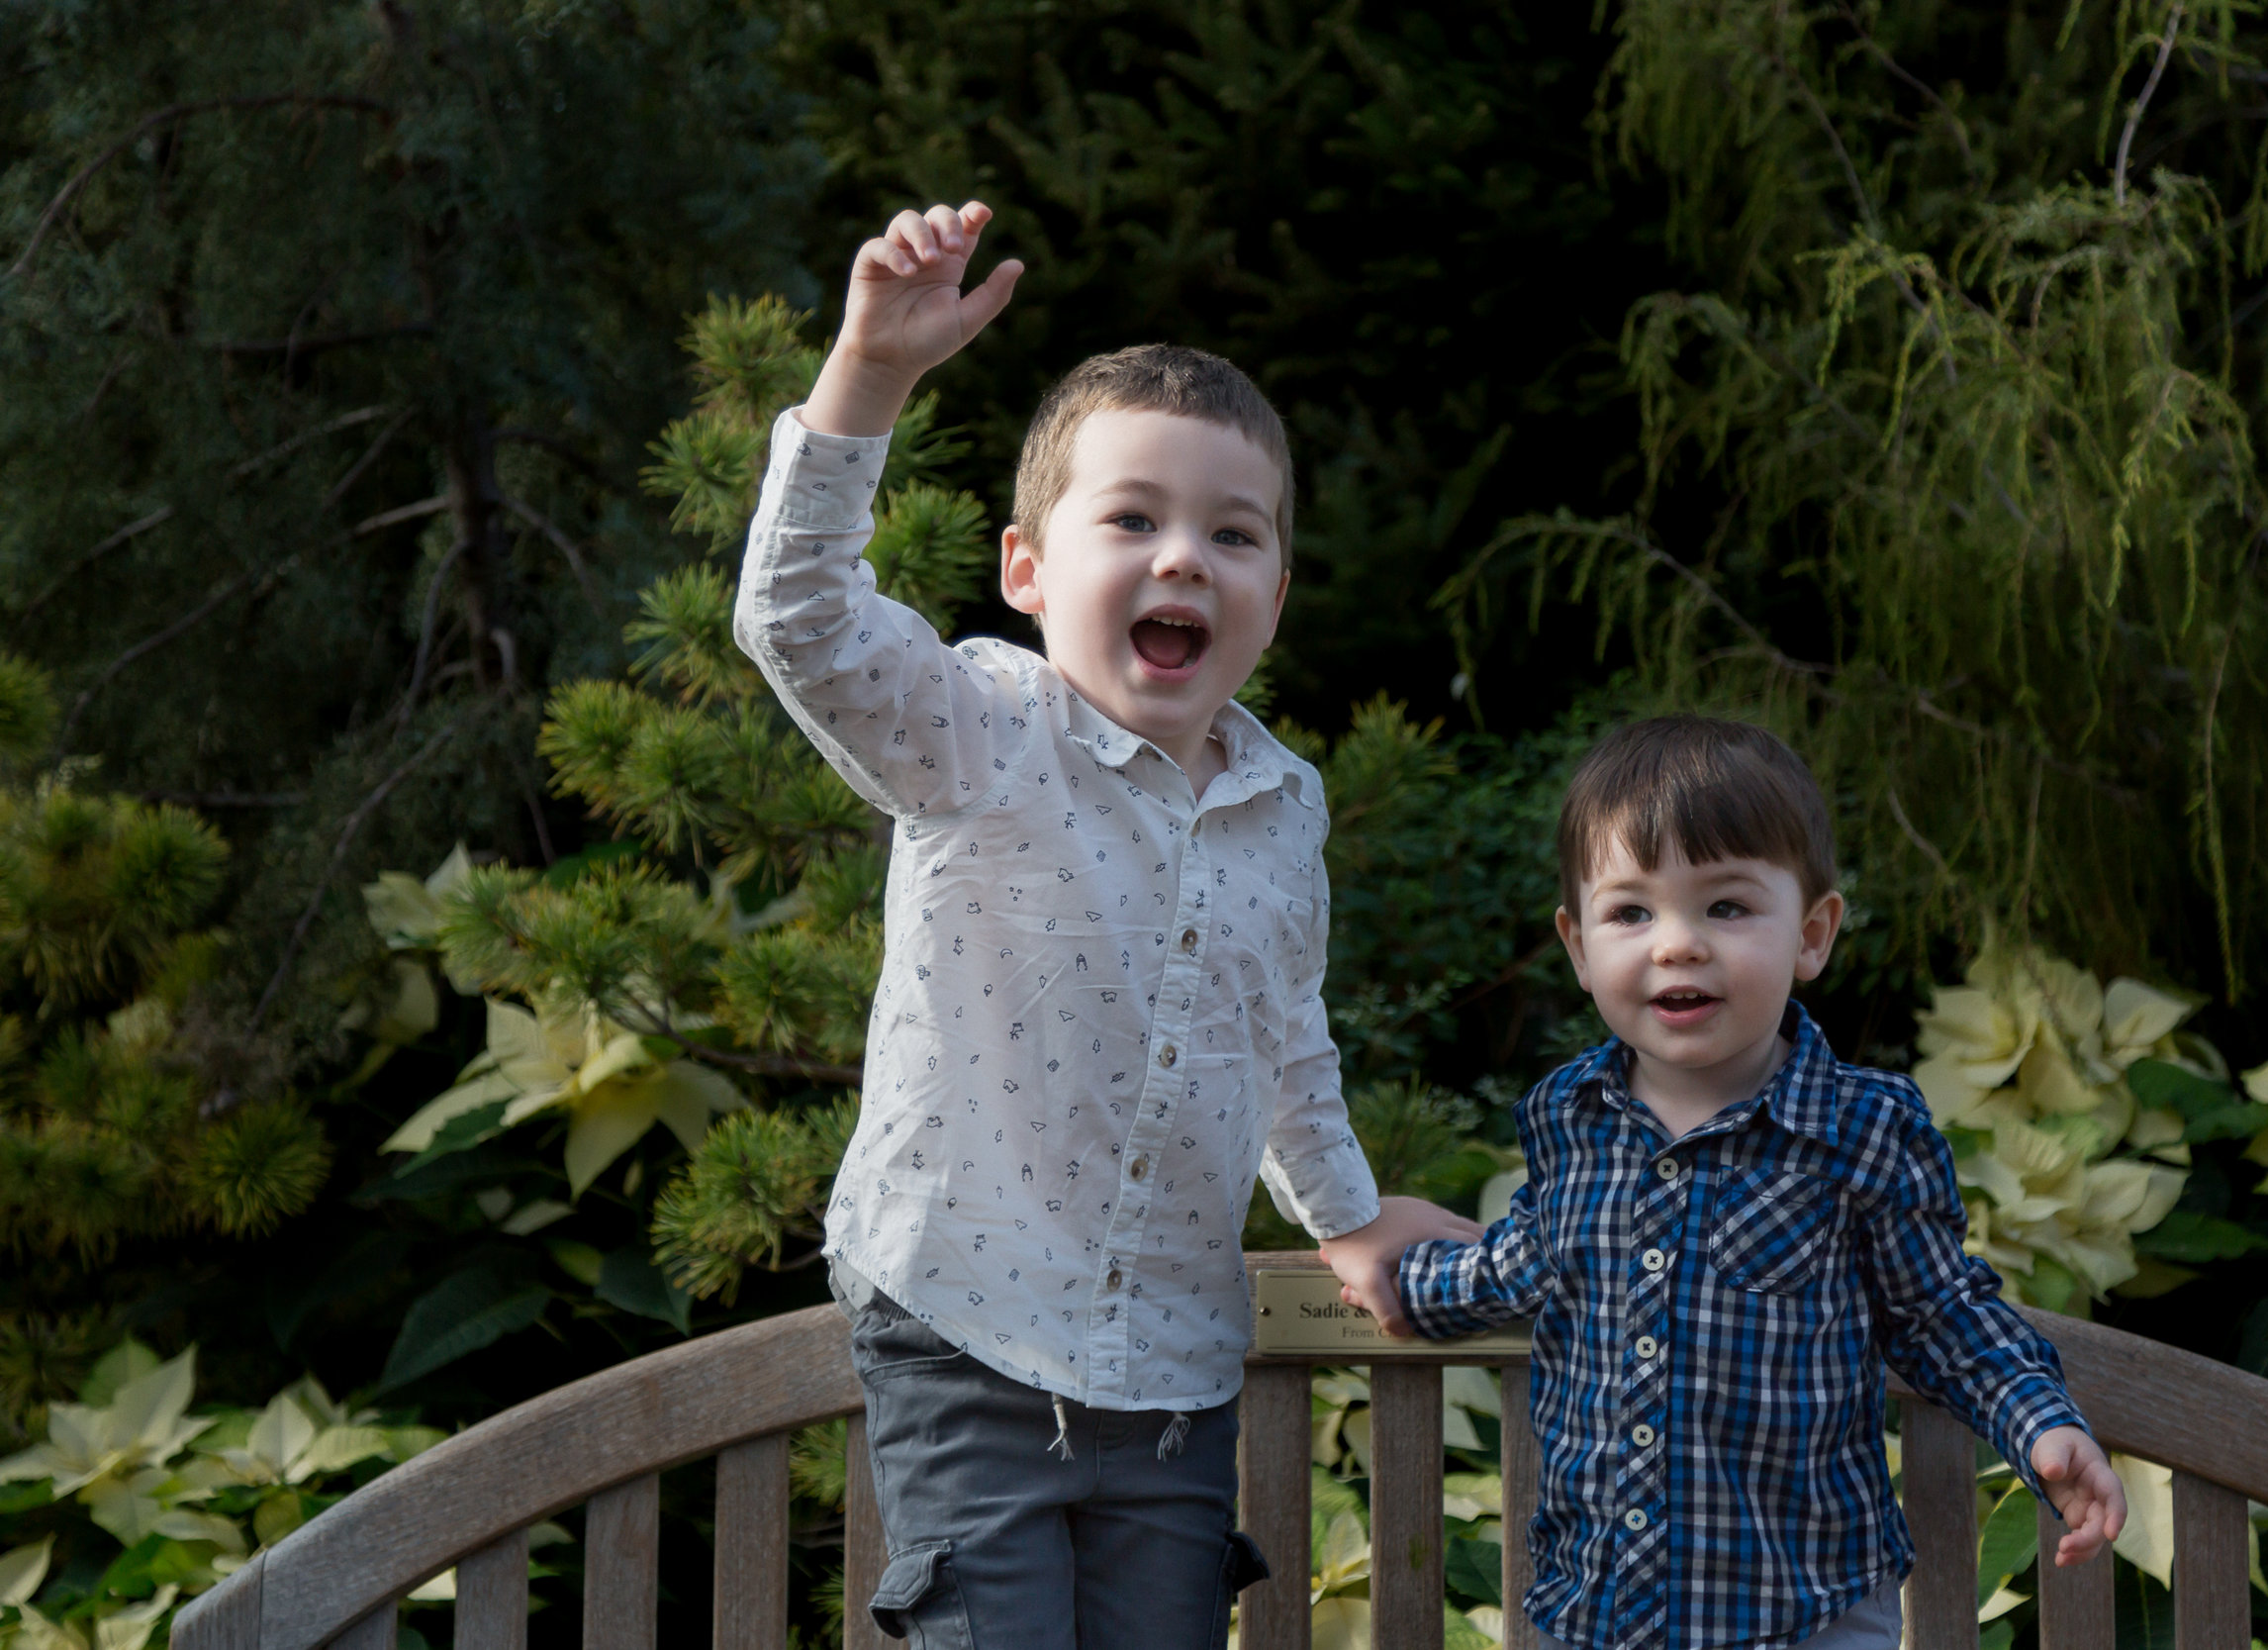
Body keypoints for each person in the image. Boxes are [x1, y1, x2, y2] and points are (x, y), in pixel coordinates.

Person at [732, 199, 1478, 1650]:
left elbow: (1283, 1032)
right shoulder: (980, 728)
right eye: (1132, 519)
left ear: (1275, 589)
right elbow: (801, 618)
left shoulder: (1284, 800)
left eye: (1231, 532)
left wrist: (1346, 1210)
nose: (1183, 557)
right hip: (964, 1329)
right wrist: (868, 373)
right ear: (1028, 570)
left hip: (1175, 1375)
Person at [1345, 716, 2126, 1650]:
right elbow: (1519, 1270)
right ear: (1578, 947)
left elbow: (1939, 1313)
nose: (1676, 944)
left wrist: (2041, 1425)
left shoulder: (1861, 1129)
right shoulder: (1570, 1120)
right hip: (1596, 1616)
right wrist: (1389, 1258)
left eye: (1725, 907)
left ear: (1812, 933)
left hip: (1807, 1614)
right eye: (1631, 911)